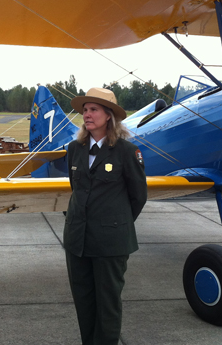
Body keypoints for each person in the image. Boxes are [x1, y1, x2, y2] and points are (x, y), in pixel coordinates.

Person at [64, 87, 147, 345]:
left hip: (110, 242)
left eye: (94, 110)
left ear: (109, 116)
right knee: (84, 301)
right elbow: (77, 188)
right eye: (85, 110)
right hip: (78, 239)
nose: (87, 115)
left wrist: (115, 224)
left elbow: (138, 197)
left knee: (108, 305)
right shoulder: (74, 149)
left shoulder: (126, 151)